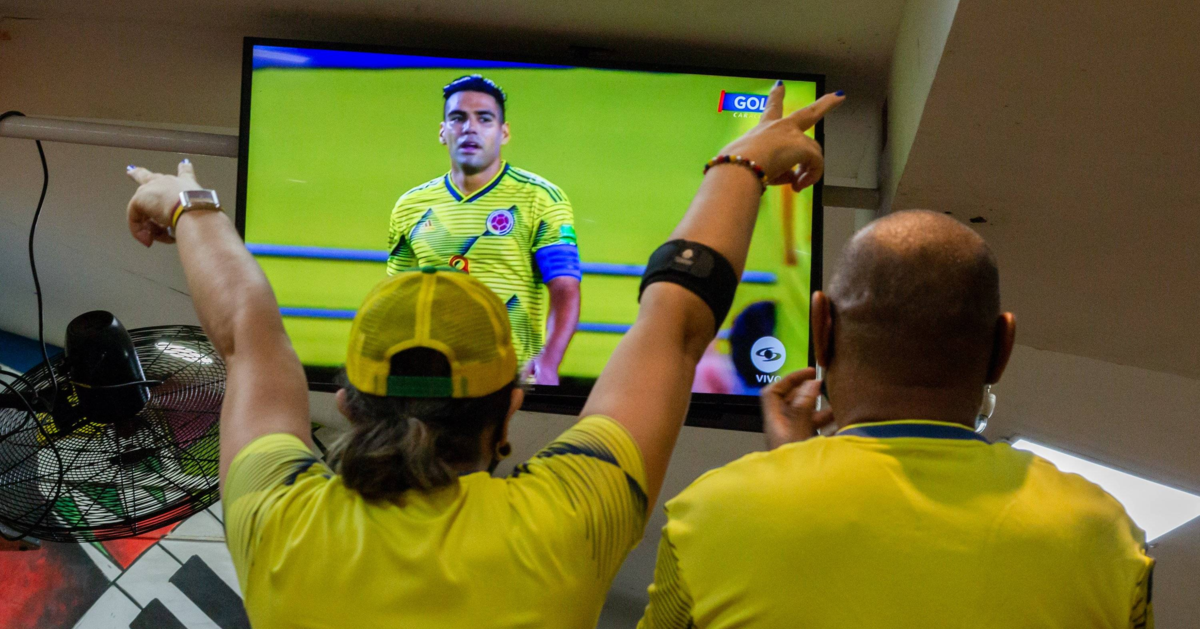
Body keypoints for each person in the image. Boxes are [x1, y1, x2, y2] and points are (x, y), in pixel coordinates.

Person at [124, 82, 843, 628]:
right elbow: (677, 323)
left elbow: (247, 333)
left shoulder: (280, 519)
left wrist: (188, 203)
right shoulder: (567, 520)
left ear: (348, 404)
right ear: (510, 407)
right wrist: (743, 161)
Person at [637, 210, 1156, 629]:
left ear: (821, 329)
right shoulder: (1105, 535)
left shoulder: (711, 514)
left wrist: (790, 474)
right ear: (1002, 347)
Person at [387, 74, 580, 385]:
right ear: (443, 131)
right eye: (458, 118)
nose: (470, 128)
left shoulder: (540, 198)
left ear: (503, 133)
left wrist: (548, 361)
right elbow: (399, 297)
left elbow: (565, 288)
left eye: (484, 119)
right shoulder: (410, 205)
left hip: (511, 379)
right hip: (434, 379)